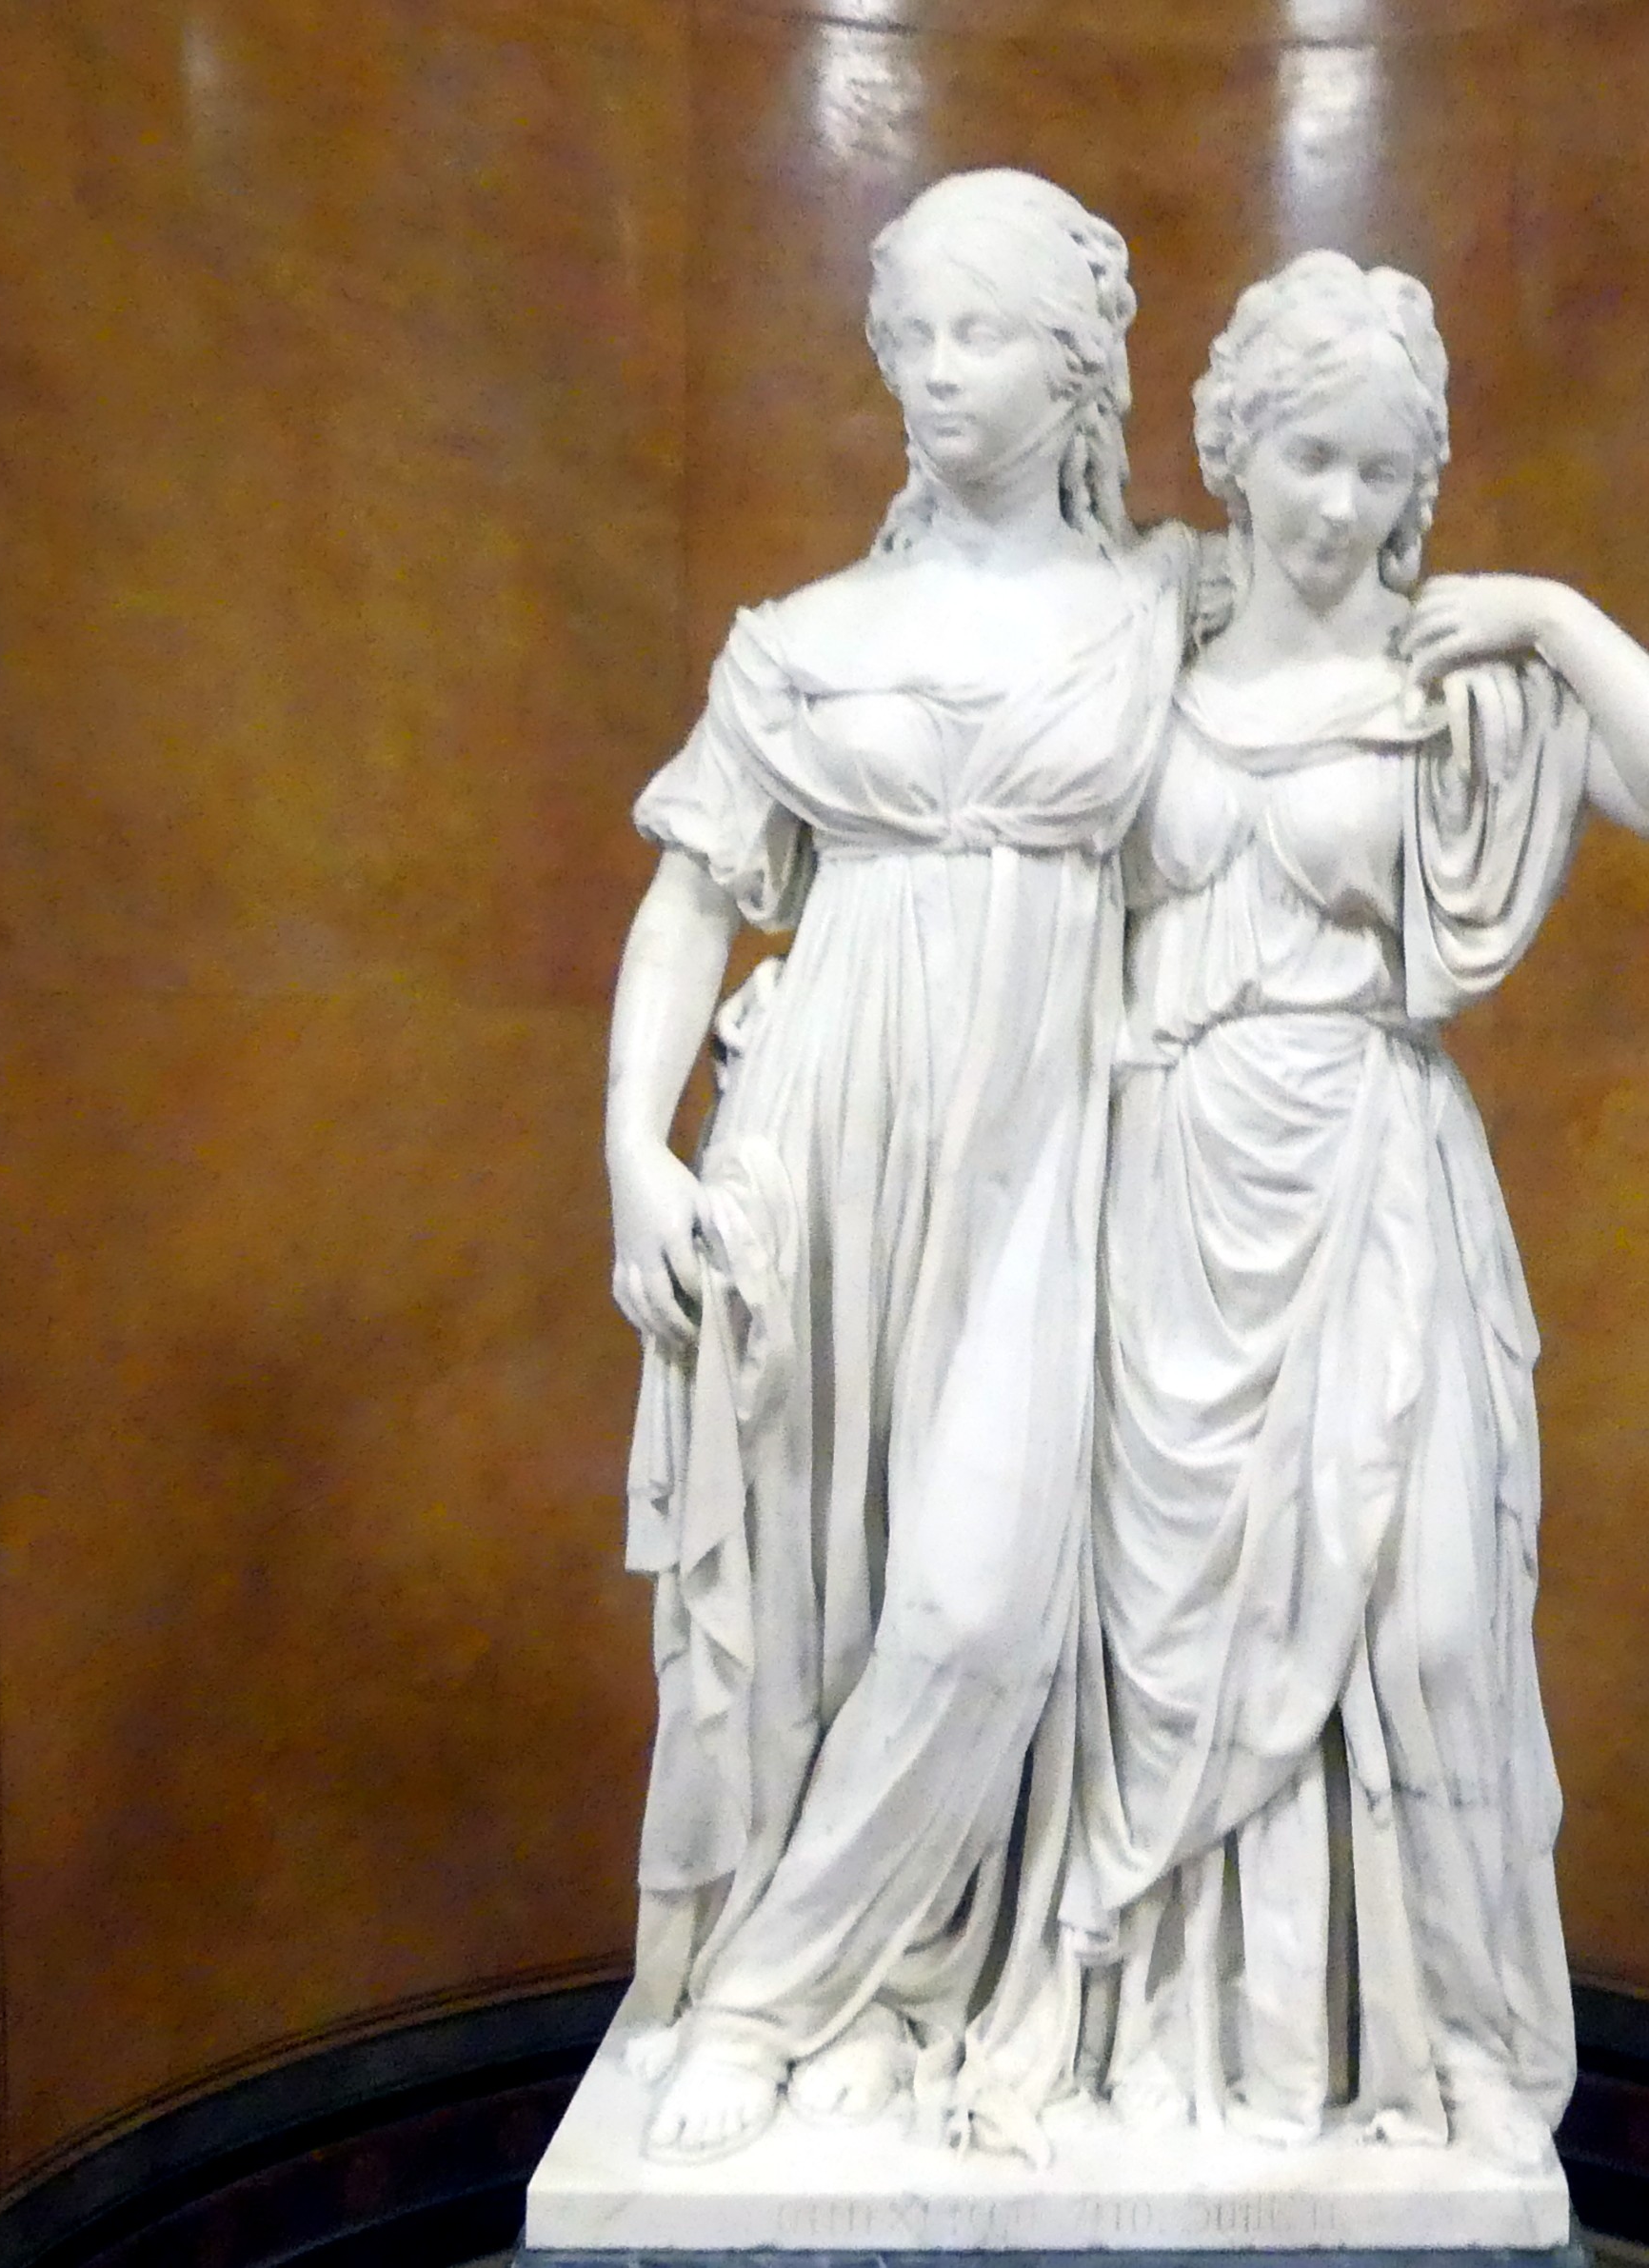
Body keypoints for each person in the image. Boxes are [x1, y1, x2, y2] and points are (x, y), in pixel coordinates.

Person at [1064, 249, 1649, 2167]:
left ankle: (1434, 2054)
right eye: (1306, 458)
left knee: (1427, 1629)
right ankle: (1207, 2057)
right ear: (1231, 447)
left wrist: (1547, 611)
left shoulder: (1451, 686)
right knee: (1167, 1647)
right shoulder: (1140, 665)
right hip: (1164, 1193)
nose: (1338, 507)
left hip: (1369, 1181)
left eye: (1379, 469)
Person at [600, 169, 1191, 2164]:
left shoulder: (1162, 610)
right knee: (817, 1584)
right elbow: (692, 900)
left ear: (1078, 362)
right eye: (910, 333)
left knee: (982, 1594)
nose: (937, 372)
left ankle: (790, 1988)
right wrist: (631, 1151)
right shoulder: (800, 640)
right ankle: (845, 2005)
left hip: (1061, 1145)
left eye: (982, 332)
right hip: (826, 1134)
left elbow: (1333, 697)